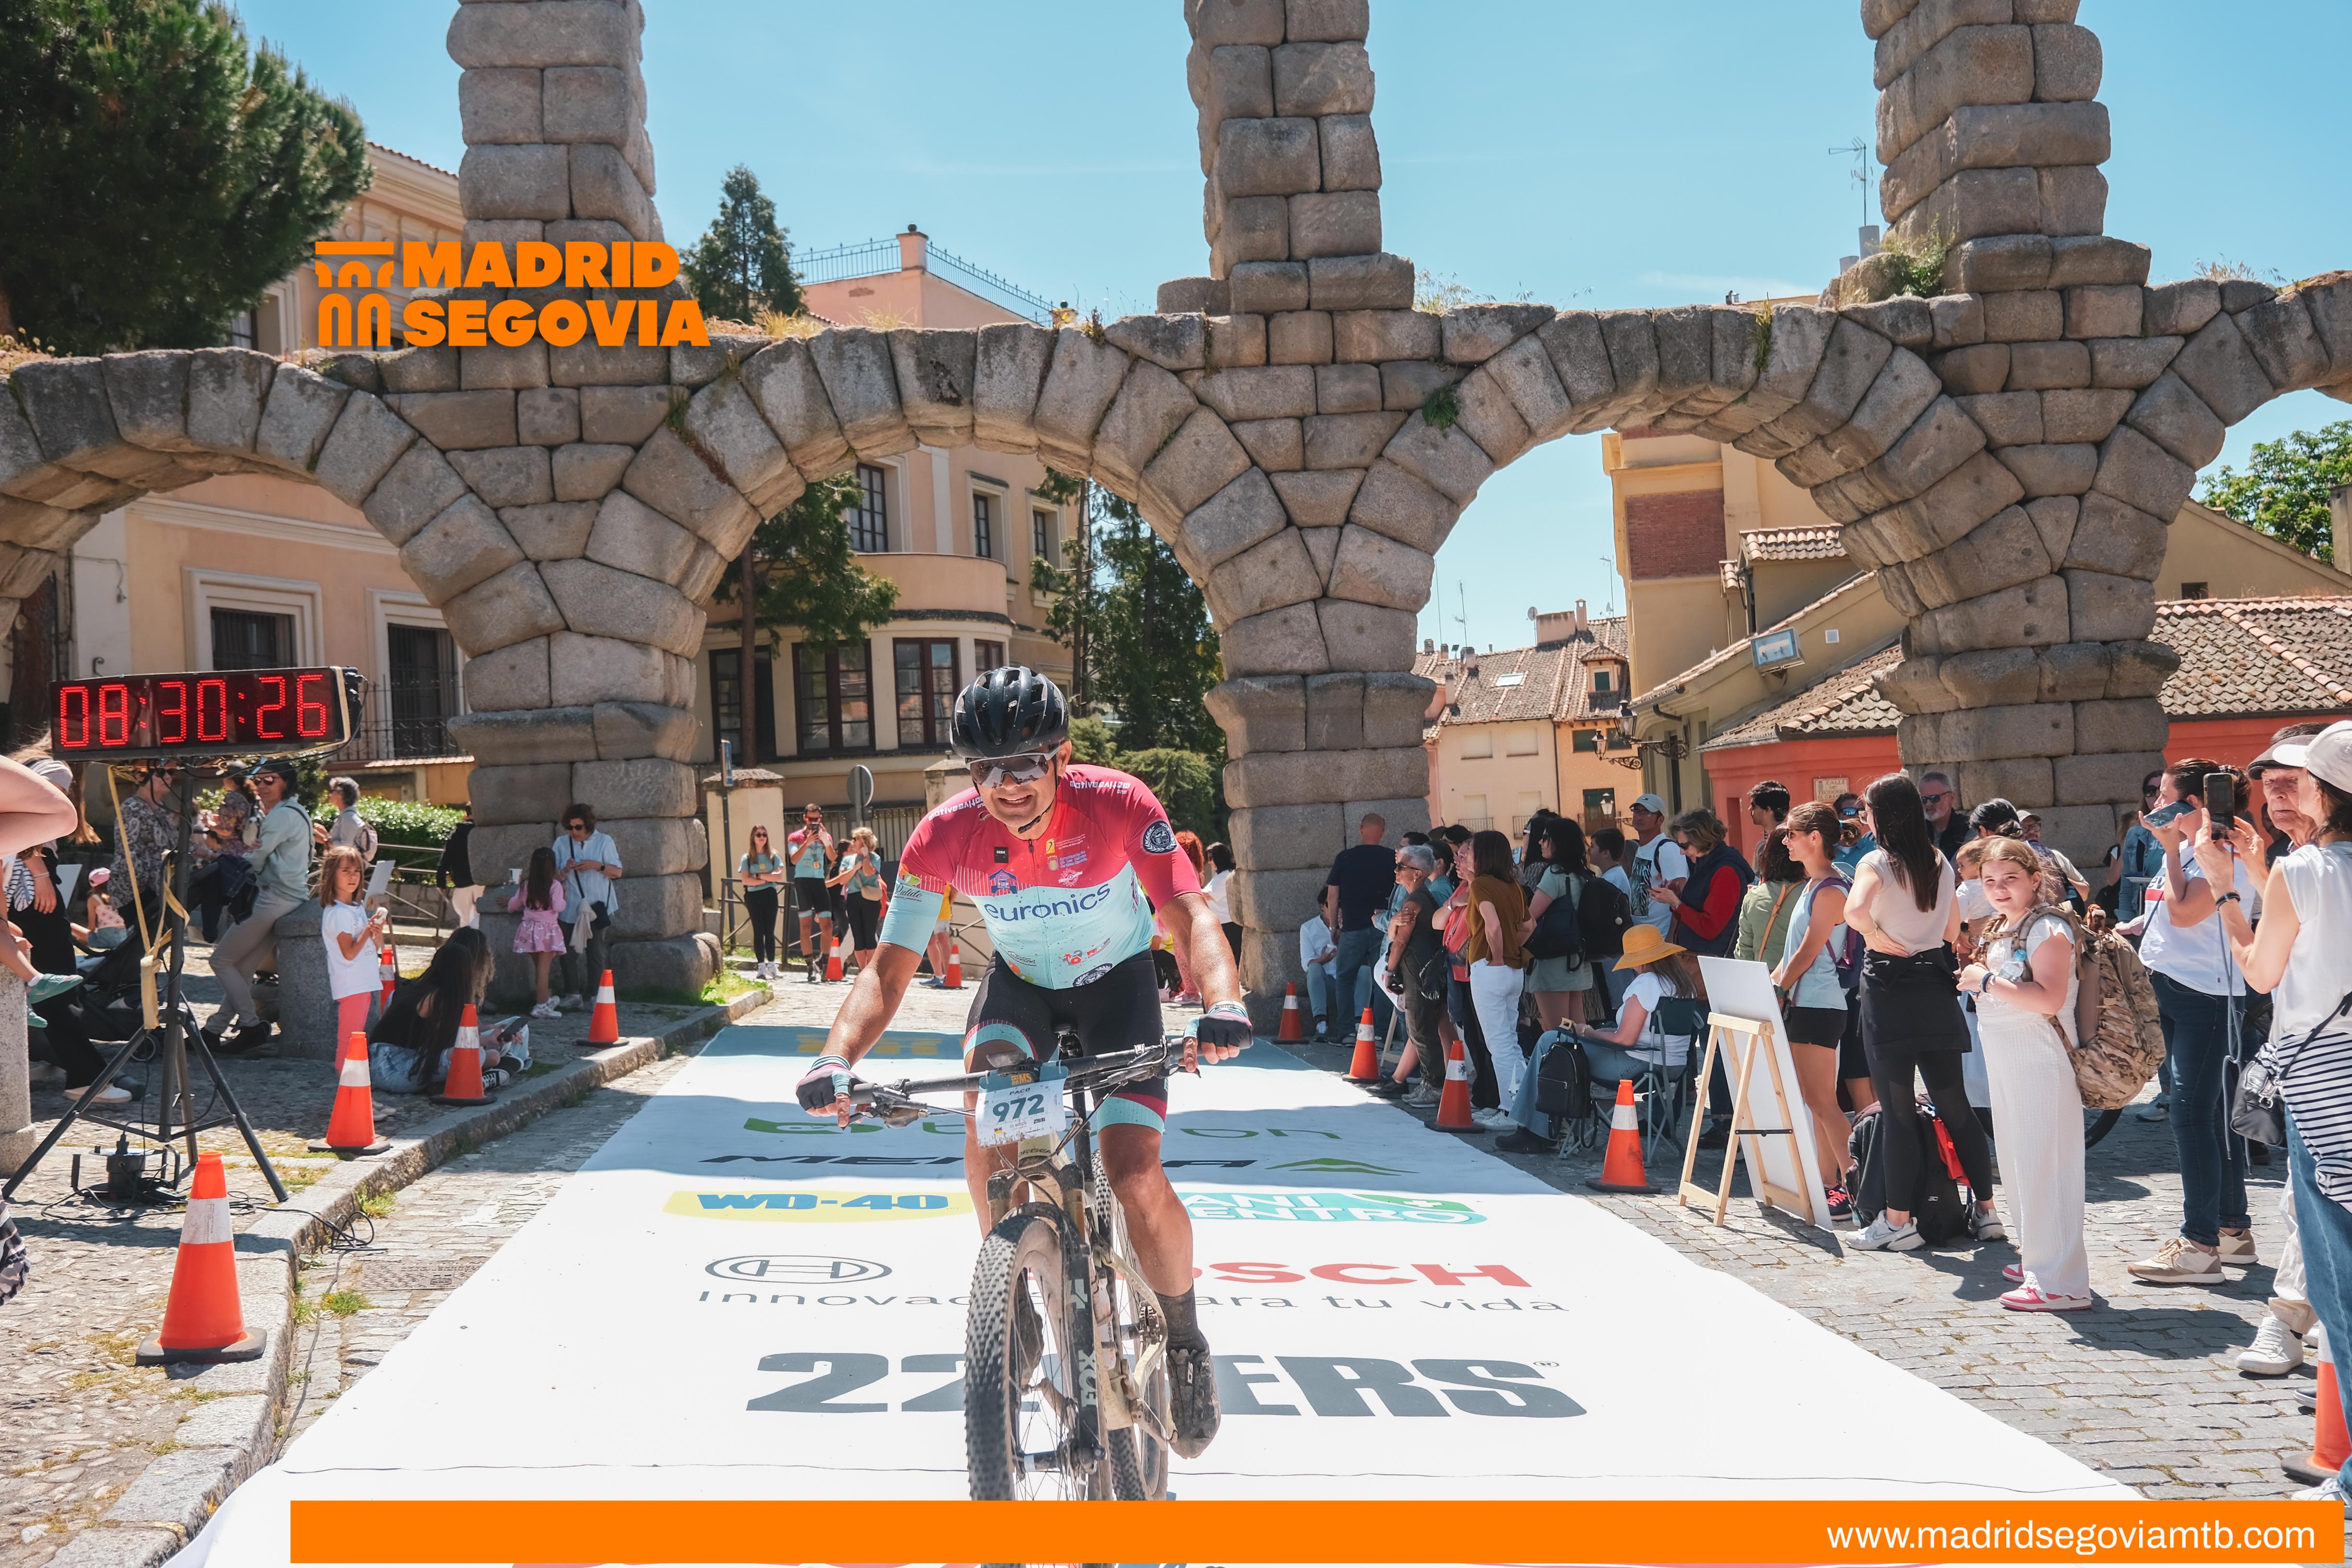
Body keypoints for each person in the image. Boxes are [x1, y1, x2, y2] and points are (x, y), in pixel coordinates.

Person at [798, 666, 1245, 1459]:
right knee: (986, 1118)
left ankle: (1182, 1337)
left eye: (1024, 764)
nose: (1005, 785)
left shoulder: (1117, 803)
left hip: (1117, 989)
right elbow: (888, 969)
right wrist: (834, 1058)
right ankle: (1011, 1287)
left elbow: (1187, 915)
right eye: (985, 768)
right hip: (1022, 990)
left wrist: (1223, 1001)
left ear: (1060, 757)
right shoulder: (943, 835)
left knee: (1134, 1171)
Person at [2191, 721, 2352, 1504]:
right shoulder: (2299, 869)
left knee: (2339, 1282)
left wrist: (2227, 888)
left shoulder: (2303, 869)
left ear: (2323, 792)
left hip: (2325, 1087)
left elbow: (2261, 969)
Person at [1842, 771, 2001, 1252]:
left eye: (1867, 811)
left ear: (1882, 815)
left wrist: (1876, 934)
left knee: (1898, 1114)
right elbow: (1952, 929)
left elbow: (1853, 911)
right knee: (1956, 1107)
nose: (1864, 819)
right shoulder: (1937, 860)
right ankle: (1987, 1212)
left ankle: (1898, 1221)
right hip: (1933, 985)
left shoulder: (1876, 861)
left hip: (1888, 989)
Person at [2124, 759, 2262, 1286]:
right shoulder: (2189, 848)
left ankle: (2200, 1244)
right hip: (2178, 988)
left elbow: (2185, 913)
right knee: (2209, 1115)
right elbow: (2170, 911)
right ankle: (2231, 1230)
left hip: (2207, 995)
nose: (2155, 805)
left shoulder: (2221, 851)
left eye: (2164, 795)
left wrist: (2165, 850)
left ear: (2194, 804)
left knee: (2190, 1115)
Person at [1956, 837, 2092, 1310]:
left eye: (2009, 878)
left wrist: (1985, 981)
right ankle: (2039, 1258)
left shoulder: (2047, 928)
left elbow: (2048, 998)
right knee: (2020, 1163)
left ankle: (2061, 1282)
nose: (1998, 888)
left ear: (2035, 879)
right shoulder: (2004, 925)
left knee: (2044, 1165)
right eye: (1989, 880)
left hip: (2040, 1060)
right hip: (2011, 1059)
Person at [1773, 803, 1855, 1220]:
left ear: (1815, 838)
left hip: (1818, 1004)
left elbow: (1808, 952)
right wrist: (1774, 982)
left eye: (1791, 833)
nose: (1785, 840)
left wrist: (1778, 986)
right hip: (1808, 1003)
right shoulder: (1814, 884)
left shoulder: (1831, 889)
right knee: (1817, 1100)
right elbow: (1794, 953)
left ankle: (1858, 1184)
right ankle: (1832, 1187)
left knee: (1823, 1102)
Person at [208, 758, 312, 1054]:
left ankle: (252, 1025)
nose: (263, 786)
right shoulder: (296, 811)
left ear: (286, 783)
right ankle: (213, 1031)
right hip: (289, 898)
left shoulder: (281, 816)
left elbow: (255, 859)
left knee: (221, 961)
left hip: (273, 897)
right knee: (242, 967)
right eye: (260, 780)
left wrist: (234, 859)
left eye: (271, 780)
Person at [368, 928, 521, 1094]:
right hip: (393, 1068)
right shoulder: (436, 998)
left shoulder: (422, 989)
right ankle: (480, 1078)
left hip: (400, 1061)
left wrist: (490, 1034)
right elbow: (449, 1041)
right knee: (476, 1055)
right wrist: (488, 1039)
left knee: (488, 1055)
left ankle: (451, 1082)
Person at [1573, 924, 1702, 1095]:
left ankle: (1547, 1109)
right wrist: (1603, 1032)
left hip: (1642, 1068)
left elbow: (1624, 1040)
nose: (1631, 967)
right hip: (1675, 1068)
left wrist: (1587, 1032)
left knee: (1555, 1041)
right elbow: (1648, 1032)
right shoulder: (1684, 984)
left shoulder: (1647, 983)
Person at [1461, 828, 1530, 1130]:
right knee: (1510, 1043)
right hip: (1513, 969)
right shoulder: (1512, 885)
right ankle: (1519, 1106)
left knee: (1499, 1045)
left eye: (1472, 851)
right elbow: (1529, 926)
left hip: (1491, 967)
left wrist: (1498, 955)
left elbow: (1492, 925)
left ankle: (1510, 1111)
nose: (1467, 856)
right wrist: (1509, 950)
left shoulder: (1481, 885)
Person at [1371, 841, 1447, 1107]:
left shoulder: (1415, 900)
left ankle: (1434, 1085)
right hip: (1421, 971)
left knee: (1421, 1031)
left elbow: (1400, 940)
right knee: (1420, 1030)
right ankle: (1431, 1083)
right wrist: (1393, 924)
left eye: (1401, 867)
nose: (1396, 871)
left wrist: (1390, 969)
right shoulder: (1417, 898)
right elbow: (1396, 932)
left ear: (1417, 873)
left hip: (1417, 972)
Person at [1440, 829, 1500, 1114]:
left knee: (1488, 1038)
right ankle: (1484, 1094)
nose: (1458, 861)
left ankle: (1494, 1098)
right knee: (1473, 1036)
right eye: (1458, 856)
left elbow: (1497, 927)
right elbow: (1438, 921)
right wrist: (1454, 903)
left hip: (1480, 971)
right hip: (1460, 972)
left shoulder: (1486, 888)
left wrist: (1497, 960)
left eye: (1465, 855)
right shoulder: (1463, 889)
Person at [1323, 812, 1395, 1041]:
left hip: (1353, 927)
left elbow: (1332, 896)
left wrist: (1333, 925)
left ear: (1361, 829)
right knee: (1382, 979)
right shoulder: (1392, 858)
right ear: (1383, 832)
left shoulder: (1345, 858)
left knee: (1345, 979)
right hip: (1382, 928)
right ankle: (1381, 1034)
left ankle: (1346, 1031)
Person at [1519, 818, 1595, 1030]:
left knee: (1557, 1031)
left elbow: (1530, 917)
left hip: (1552, 961)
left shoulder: (1555, 874)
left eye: (1546, 838)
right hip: (1575, 958)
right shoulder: (1581, 874)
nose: (1540, 842)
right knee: (1578, 1028)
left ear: (1559, 842)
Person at [317, 843, 389, 1048]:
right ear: (332, 874)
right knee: (349, 1039)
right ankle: (345, 1070)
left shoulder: (355, 908)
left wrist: (376, 932)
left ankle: (350, 1070)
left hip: (363, 982)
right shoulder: (338, 913)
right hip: (352, 984)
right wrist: (367, 931)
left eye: (357, 871)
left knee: (354, 1037)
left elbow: (374, 948)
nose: (353, 876)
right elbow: (349, 953)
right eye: (346, 871)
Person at [552, 804, 622, 1011]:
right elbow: (553, 878)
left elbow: (617, 872)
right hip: (569, 906)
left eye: (578, 827)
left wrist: (596, 866)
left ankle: (595, 996)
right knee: (567, 953)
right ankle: (572, 994)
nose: (574, 832)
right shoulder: (561, 843)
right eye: (570, 827)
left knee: (596, 952)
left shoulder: (604, 841)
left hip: (597, 906)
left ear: (588, 826)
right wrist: (566, 869)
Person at [191, 764, 258, 941]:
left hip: (231, 854)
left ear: (230, 779)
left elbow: (227, 831)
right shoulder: (247, 798)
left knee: (218, 894)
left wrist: (209, 824)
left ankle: (216, 934)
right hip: (245, 851)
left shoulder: (232, 798)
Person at [1733, 827, 1804, 971]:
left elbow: (1744, 950)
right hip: (1800, 975)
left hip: (1763, 975)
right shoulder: (1810, 894)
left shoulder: (1753, 896)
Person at [512, 846, 568, 1019]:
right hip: (547, 930)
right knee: (544, 969)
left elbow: (514, 904)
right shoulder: (555, 886)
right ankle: (541, 1006)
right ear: (553, 865)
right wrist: (564, 898)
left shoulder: (526, 885)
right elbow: (558, 907)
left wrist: (508, 902)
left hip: (528, 928)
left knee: (539, 968)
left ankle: (546, 998)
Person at [1626, 793, 1687, 940]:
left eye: (1647, 813)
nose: (1639, 817)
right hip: (1642, 936)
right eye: (1637, 811)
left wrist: (1672, 937)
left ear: (1660, 820)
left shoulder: (1666, 849)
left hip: (1661, 936)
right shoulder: (1642, 849)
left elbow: (1680, 895)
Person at [828, 825, 888, 975]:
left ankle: (872, 972)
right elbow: (843, 880)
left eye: (856, 839)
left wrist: (866, 856)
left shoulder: (875, 858)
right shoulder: (848, 860)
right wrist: (855, 868)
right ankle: (863, 971)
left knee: (870, 935)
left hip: (870, 899)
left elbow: (868, 873)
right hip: (853, 898)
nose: (853, 842)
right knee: (858, 937)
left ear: (864, 841)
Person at [1588, 827, 1633, 1020]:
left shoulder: (1612, 880)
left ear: (1606, 853)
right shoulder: (1611, 876)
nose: (1589, 850)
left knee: (1618, 996)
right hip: (1614, 950)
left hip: (1613, 951)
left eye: (1593, 846)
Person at [787, 802, 836, 983]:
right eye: (810, 819)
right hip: (803, 882)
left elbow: (833, 858)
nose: (813, 822)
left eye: (816, 819)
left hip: (819, 881)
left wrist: (826, 841)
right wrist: (807, 842)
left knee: (827, 926)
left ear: (820, 818)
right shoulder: (796, 837)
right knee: (806, 926)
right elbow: (794, 859)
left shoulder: (825, 835)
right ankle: (809, 966)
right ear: (805, 818)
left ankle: (824, 964)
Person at [737, 825, 785, 979]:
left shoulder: (773, 856)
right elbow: (746, 880)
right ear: (753, 837)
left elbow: (778, 876)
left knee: (770, 931)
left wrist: (757, 876)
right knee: (759, 931)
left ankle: (772, 965)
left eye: (765, 834)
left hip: (770, 894)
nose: (762, 837)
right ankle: (761, 967)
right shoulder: (747, 858)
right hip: (753, 896)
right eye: (759, 835)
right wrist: (767, 878)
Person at [2018, 813, 2091, 905]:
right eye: (2025, 828)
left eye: (2034, 826)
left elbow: (2084, 894)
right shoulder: (2012, 865)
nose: (2032, 831)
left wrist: (2061, 880)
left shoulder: (2055, 856)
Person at [1298, 902, 1339, 1042]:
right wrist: (1322, 960)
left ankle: (1359, 1024)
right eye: (1331, 905)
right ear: (1323, 906)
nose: (1336, 910)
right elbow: (1307, 964)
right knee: (1314, 968)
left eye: (1339, 905)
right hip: (1325, 985)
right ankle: (1321, 1023)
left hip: (1346, 982)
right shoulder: (1308, 928)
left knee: (1364, 970)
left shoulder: (1350, 926)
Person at [436, 802, 480, 931]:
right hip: (482, 881)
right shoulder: (483, 832)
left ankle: (466, 942)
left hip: (462, 881)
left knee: (465, 920)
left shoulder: (457, 833)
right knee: (481, 918)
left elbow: (446, 859)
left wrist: (441, 882)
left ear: (466, 814)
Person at [314, 776, 376, 862]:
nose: (329, 795)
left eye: (332, 791)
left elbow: (345, 849)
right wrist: (325, 835)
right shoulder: (347, 816)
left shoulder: (348, 818)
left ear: (341, 794)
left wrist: (325, 841)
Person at [1919, 769, 1968, 861]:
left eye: (1934, 798)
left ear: (1952, 798)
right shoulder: (1917, 831)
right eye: (1924, 799)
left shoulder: (1968, 829)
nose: (1929, 804)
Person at [1204, 841, 1239, 960]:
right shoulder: (1220, 876)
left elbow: (1207, 896)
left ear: (1219, 858)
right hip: (1224, 924)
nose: (1209, 862)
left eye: (1211, 858)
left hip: (1228, 925)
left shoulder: (1225, 876)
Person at [80, 867, 127, 949]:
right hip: (125, 937)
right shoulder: (122, 895)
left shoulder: (94, 899)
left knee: (71, 926)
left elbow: (92, 927)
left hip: (106, 940)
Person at [1832, 793, 1876, 875]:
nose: (1857, 816)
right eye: (1850, 812)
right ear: (1836, 815)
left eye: (1861, 811)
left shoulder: (1874, 849)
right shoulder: (1824, 849)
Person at [1746, 779, 1791, 856]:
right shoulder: (1791, 841)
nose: (1750, 809)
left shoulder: (1786, 844)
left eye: (1754, 806)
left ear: (1768, 810)